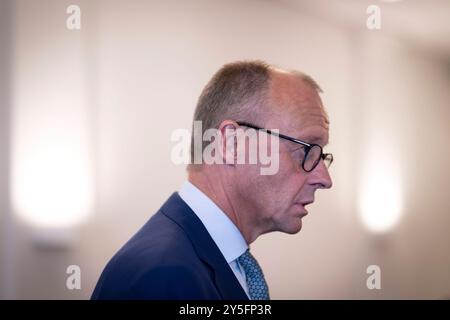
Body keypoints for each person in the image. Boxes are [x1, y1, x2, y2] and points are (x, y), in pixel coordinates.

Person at [91, 60, 333, 300]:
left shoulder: (216, 262)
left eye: (321, 155)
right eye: (307, 150)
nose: (324, 179)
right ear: (232, 143)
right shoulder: (160, 277)